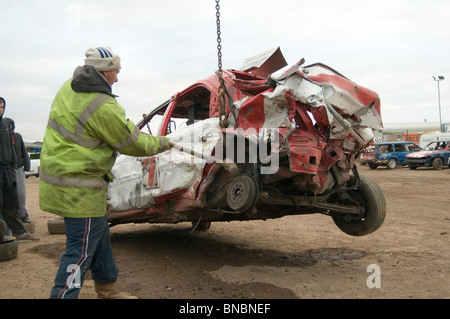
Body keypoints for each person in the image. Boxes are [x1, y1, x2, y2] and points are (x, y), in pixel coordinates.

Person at [39, 47, 170, 299]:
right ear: (105, 71)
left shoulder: (70, 87)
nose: (118, 78)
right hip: (80, 187)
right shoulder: (101, 105)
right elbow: (134, 143)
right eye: (116, 72)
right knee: (79, 250)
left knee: (99, 240)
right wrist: (165, 143)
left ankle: (107, 289)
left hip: (67, 180)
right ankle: (63, 295)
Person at [0, 98, 38, 241]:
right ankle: (3, 234)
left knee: (12, 204)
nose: (0, 109)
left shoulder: (6, 125)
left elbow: (12, 148)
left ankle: (20, 233)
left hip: (9, 171)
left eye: (2, 107)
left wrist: (14, 166)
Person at [4, 118, 32, 224]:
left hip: (18, 168)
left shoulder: (17, 136)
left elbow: (24, 152)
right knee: (7, 195)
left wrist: (27, 166)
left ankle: (23, 214)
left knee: (21, 193)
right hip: (5, 168)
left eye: (11, 126)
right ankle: (9, 219)